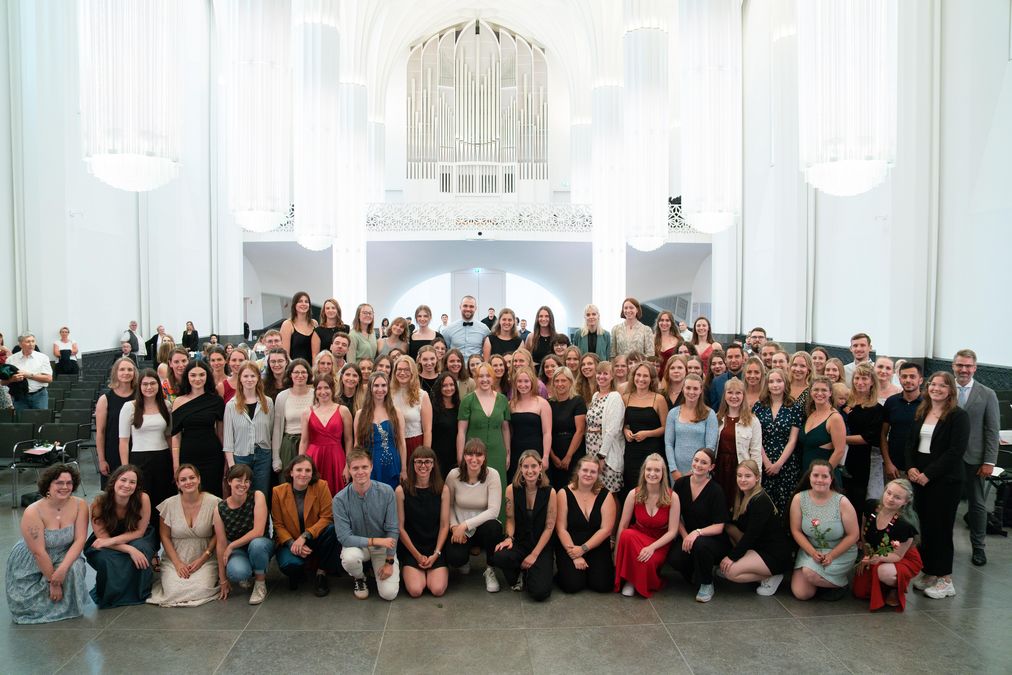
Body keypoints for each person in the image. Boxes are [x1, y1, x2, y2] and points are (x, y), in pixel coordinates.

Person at [907, 371, 970, 600]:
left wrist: (929, 474)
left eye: (942, 386)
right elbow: (910, 444)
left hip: (946, 480)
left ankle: (945, 579)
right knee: (927, 527)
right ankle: (930, 571)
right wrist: (911, 467)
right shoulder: (923, 411)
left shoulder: (958, 416)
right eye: (933, 384)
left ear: (951, 390)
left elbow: (955, 451)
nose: (936, 389)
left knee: (941, 528)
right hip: (920, 476)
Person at [6, 465, 90, 623]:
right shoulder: (33, 511)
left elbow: (80, 540)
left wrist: (62, 570)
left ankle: (68, 606)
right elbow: (39, 552)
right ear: (48, 486)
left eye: (69, 483)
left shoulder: (80, 505)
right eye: (59, 483)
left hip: (64, 552)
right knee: (28, 603)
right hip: (34, 557)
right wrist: (54, 582)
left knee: (74, 568)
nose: (65, 487)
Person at [147, 465, 222, 607]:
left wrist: (204, 557)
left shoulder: (214, 502)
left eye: (192, 477)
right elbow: (164, 536)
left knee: (201, 589)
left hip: (204, 556)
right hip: (175, 556)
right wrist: (177, 563)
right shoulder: (168, 504)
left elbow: (218, 534)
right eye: (183, 479)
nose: (188, 482)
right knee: (173, 591)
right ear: (178, 484)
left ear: (199, 479)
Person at [952, 349, 1000, 567]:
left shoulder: (987, 393)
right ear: (953, 366)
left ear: (975, 368)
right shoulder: (942, 388)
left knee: (977, 505)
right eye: (960, 365)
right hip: (946, 458)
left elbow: (992, 430)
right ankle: (942, 547)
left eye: (968, 366)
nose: (964, 369)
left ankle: (979, 548)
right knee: (945, 504)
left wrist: (989, 461)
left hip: (975, 459)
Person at [332, 449, 401, 601]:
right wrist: (374, 541)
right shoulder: (340, 499)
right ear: (349, 470)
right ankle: (359, 577)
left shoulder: (387, 492)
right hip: (359, 546)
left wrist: (389, 562)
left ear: (371, 467)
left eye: (364, 467)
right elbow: (344, 537)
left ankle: (381, 567)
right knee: (350, 558)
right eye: (355, 468)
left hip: (383, 547)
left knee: (389, 594)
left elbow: (392, 529)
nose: (360, 472)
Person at [85, 465, 157, 608]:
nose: (127, 485)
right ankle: (111, 596)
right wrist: (129, 550)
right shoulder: (99, 503)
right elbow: (102, 539)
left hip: (135, 535)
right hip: (106, 539)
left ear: (137, 486)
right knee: (106, 557)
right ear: (114, 481)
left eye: (132, 482)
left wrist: (131, 547)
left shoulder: (143, 498)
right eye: (123, 480)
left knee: (141, 548)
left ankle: (139, 592)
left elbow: (139, 532)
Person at [719, 460, 793, 596]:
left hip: (774, 554)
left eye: (748, 476)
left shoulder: (760, 500)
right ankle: (751, 567)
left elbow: (751, 535)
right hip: (758, 547)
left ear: (757, 478)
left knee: (730, 572)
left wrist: (731, 557)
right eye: (739, 475)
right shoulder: (742, 495)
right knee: (729, 527)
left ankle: (771, 576)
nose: (742, 480)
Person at [789, 460, 860, 601]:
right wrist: (812, 552)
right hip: (811, 549)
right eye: (815, 475)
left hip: (839, 551)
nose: (819, 480)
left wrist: (832, 555)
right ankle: (823, 582)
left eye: (824, 476)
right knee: (802, 594)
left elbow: (854, 535)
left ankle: (840, 584)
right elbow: (796, 530)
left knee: (810, 573)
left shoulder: (842, 501)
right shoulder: (799, 499)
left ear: (831, 478)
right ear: (809, 477)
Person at [667, 449, 731, 602]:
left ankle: (707, 583)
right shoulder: (681, 484)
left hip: (713, 539)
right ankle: (696, 572)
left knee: (700, 545)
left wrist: (696, 532)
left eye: (704, 462)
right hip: (689, 535)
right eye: (696, 460)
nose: (698, 464)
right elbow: (676, 517)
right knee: (674, 558)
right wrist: (685, 536)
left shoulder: (716, 490)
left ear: (711, 467)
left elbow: (719, 526)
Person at [272, 455, 340, 597]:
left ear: (312, 473)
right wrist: (292, 543)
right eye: (299, 470)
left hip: (313, 536)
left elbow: (327, 517)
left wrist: (305, 536)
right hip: (290, 540)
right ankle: (299, 570)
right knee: (289, 566)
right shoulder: (278, 492)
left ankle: (321, 573)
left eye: (308, 470)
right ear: (291, 472)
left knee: (332, 530)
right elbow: (278, 524)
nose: (303, 474)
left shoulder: (321, 486)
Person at [491, 450, 556, 600]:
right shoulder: (511, 490)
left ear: (540, 467)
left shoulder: (550, 492)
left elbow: (549, 527)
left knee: (539, 593)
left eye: (534, 466)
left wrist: (534, 555)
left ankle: (529, 572)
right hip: (520, 542)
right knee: (500, 556)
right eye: (526, 466)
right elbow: (510, 519)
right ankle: (519, 572)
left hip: (541, 545)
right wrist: (509, 538)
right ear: (520, 467)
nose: (530, 470)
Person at [614, 453, 679, 598]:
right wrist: (617, 552)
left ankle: (639, 582)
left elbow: (673, 532)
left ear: (663, 473)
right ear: (643, 472)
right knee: (627, 534)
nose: (652, 474)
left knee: (647, 560)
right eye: (649, 470)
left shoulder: (672, 497)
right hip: (638, 535)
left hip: (659, 542)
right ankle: (631, 581)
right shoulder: (634, 494)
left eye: (657, 470)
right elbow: (623, 525)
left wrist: (652, 547)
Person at [852, 479, 923, 611]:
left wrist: (877, 558)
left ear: (905, 502)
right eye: (888, 493)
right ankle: (883, 584)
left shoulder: (905, 525)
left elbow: (897, 555)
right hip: (875, 551)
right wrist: (867, 555)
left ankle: (896, 586)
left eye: (897, 497)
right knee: (860, 592)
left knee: (884, 572)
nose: (890, 499)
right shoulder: (870, 506)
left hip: (901, 557)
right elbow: (864, 532)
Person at [445, 439, 503, 592]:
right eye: (469, 454)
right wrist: (454, 526)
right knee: (455, 559)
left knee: (494, 527)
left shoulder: (493, 475)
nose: (474, 459)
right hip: (460, 530)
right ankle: (464, 559)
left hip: (482, 528)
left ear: (484, 457)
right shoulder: (453, 475)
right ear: (464, 456)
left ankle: (490, 569)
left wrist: (465, 525)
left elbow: (493, 511)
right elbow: (448, 505)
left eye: (479, 455)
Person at [555, 456, 616, 593]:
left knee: (603, 586)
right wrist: (574, 554)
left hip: (596, 545)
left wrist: (582, 549)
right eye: (585, 470)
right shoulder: (564, 493)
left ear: (598, 474)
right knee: (572, 586)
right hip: (570, 544)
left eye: (593, 472)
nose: (588, 474)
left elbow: (606, 530)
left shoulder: (606, 495)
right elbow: (561, 529)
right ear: (578, 471)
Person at [212, 464, 271, 605]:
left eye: (247, 481)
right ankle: (248, 570)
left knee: (257, 544)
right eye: (238, 480)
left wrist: (231, 545)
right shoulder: (220, 508)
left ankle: (260, 583)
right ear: (229, 481)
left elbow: (258, 531)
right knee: (237, 572)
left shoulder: (257, 496)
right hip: (239, 550)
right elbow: (220, 544)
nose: (243, 484)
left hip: (260, 544)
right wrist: (223, 579)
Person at [396, 447, 450, 598]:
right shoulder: (401, 491)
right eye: (418, 462)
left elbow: (445, 525)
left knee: (437, 589)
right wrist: (417, 555)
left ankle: (435, 569)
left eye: (427, 461)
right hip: (412, 548)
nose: (423, 465)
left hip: (435, 548)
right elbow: (400, 528)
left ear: (433, 465)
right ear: (412, 464)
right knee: (415, 590)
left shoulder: (443, 489)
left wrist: (436, 553)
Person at [457, 363, 511, 508]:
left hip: (497, 452)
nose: (485, 379)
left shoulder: (502, 400)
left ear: (493, 379)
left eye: (488, 376)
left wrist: (507, 453)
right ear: (475, 378)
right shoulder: (468, 400)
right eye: (481, 376)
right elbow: (461, 431)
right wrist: (461, 455)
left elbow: (505, 428)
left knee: (497, 489)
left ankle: (499, 527)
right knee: (475, 489)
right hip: (473, 454)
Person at [119, 369, 174, 508]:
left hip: (162, 458)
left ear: (158, 385)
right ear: (139, 386)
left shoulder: (166, 406)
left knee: (163, 498)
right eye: (145, 384)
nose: (149, 387)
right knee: (141, 500)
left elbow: (169, 437)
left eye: (152, 383)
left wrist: (175, 463)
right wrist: (126, 469)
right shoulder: (129, 407)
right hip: (139, 459)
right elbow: (124, 441)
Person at [172, 360, 226, 497]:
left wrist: (226, 460)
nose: (198, 379)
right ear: (187, 377)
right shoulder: (179, 401)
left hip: (212, 456)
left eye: (202, 375)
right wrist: (176, 465)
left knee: (213, 494)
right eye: (193, 375)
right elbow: (176, 437)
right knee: (190, 494)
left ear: (207, 376)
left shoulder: (216, 401)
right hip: (188, 455)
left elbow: (221, 434)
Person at [753, 368, 803, 517]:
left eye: (779, 381)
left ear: (785, 383)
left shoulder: (794, 408)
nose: (775, 385)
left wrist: (779, 463)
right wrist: (767, 462)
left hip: (786, 463)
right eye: (771, 381)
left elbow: (793, 439)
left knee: (785, 504)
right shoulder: (758, 407)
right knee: (763, 504)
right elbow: (756, 438)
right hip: (763, 460)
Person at [223, 362, 276, 499]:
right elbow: (228, 438)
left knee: (261, 495)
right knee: (241, 495)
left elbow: (270, 432)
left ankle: (261, 520)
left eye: (253, 376)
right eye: (245, 376)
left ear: (258, 378)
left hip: (263, 456)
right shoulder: (231, 405)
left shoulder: (268, 402)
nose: (249, 379)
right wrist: (232, 465)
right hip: (241, 456)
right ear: (240, 378)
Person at [714, 379, 762, 510]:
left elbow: (756, 452)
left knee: (738, 506)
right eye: (730, 392)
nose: (734, 397)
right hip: (720, 469)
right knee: (720, 504)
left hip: (740, 468)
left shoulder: (753, 421)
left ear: (743, 396)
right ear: (725, 395)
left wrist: (758, 479)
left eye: (738, 393)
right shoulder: (717, 418)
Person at [301, 374, 353, 495]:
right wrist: (301, 466)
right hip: (314, 457)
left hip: (336, 457)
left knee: (338, 493)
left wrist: (348, 465)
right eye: (319, 388)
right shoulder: (307, 412)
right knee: (314, 493)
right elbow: (304, 441)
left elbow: (349, 440)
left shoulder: (343, 410)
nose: (323, 391)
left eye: (326, 388)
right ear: (315, 391)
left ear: (332, 389)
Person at [622, 363, 668, 499]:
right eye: (638, 375)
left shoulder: (658, 399)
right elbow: (624, 424)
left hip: (652, 451)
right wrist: (625, 431)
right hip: (631, 451)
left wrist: (647, 434)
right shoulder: (626, 398)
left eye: (645, 376)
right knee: (631, 486)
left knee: (650, 488)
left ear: (651, 379)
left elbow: (665, 428)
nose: (641, 379)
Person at [355, 371, 407, 489]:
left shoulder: (396, 412)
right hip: (369, 463)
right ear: (370, 388)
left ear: (388, 388)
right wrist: (356, 467)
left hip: (392, 463)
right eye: (376, 385)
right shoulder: (360, 414)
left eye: (383, 385)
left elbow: (401, 443)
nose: (380, 389)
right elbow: (357, 444)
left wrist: (404, 469)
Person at [841, 364, 883, 508]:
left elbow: (867, 438)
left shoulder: (876, 409)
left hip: (861, 460)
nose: (860, 382)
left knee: (857, 500)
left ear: (872, 382)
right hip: (841, 457)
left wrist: (839, 439)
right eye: (857, 378)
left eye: (864, 378)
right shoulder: (845, 402)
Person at [664, 374, 718, 481]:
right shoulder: (673, 413)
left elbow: (710, 447)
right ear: (683, 389)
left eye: (695, 388)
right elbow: (669, 444)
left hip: (700, 470)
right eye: (688, 388)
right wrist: (673, 469)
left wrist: (695, 470)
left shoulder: (709, 414)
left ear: (701, 390)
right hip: (677, 472)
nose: (691, 392)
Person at [95, 357, 138, 486]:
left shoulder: (140, 397)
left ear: (134, 373)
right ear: (115, 373)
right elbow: (100, 432)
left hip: (136, 449)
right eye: (122, 369)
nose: (126, 372)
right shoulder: (105, 399)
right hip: (112, 451)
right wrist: (102, 460)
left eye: (130, 369)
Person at [586, 360, 625, 495]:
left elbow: (612, 430)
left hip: (606, 452)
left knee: (609, 493)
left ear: (612, 376)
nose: (601, 377)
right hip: (592, 448)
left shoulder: (614, 397)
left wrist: (601, 456)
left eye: (605, 374)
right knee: (596, 491)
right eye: (599, 373)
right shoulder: (596, 395)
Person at [508, 365, 552, 482]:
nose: (523, 385)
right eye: (519, 381)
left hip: (537, 450)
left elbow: (547, 432)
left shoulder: (542, 403)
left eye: (526, 381)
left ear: (532, 382)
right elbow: (507, 431)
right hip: (516, 451)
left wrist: (546, 456)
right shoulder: (510, 405)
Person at [881, 362, 923, 481]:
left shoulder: (928, 404)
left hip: (919, 469)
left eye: (912, 376)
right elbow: (883, 434)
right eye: (904, 376)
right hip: (894, 467)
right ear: (899, 379)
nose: (908, 380)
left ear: (920, 380)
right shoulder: (891, 402)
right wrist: (888, 463)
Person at [272, 359, 314, 473]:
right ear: (290, 374)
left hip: (310, 443)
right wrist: (276, 458)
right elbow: (277, 429)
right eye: (296, 372)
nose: (300, 375)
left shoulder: (315, 395)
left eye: (303, 372)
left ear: (308, 374)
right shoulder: (282, 396)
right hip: (288, 444)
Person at [548, 367, 587, 489]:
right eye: (557, 380)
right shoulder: (549, 403)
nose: (560, 384)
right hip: (554, 451)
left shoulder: (577, 401)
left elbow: (580, 431)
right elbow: (545, 431)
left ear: (570, 381)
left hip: (573, 452)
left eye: (563, 380)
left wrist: (568, 456)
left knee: (573, 487)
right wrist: (552, 456)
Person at [799, 376, 847, 474]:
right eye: (816, 389)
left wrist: (823, 474)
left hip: (825, 477)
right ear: (811, 392)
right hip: (806, 473)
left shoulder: (835, 418)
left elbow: (839, 451)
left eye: (824, 390)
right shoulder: (811, 414)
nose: (819, 393)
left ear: (830, 393)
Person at [391, 356, 433, 460]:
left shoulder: (422, 395)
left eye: (406, 370)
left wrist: (425, 456)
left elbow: (427, 430)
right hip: (392, 444)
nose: (402, 373)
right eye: (399, 369)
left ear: (413, 372)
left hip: (414, 444)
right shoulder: (388, 394)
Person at [3, 333, 52, 410]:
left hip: (39, 396)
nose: (31, 344)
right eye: (28, 341)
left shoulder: (43, 358)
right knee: (22, 421)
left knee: (40, 421)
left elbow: (49, 379)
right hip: (19, 397)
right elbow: (3, 382)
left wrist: (29, 375)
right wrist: (12, 379)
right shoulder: (11, 360)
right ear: (20, 344)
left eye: (33, 341)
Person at [280, 291, 318, 363]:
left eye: (306, 302)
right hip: (294, 369)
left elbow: (316, 353)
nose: (303, 304)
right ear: (295, 305)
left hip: (311, 369)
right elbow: (285, 354)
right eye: (300, 301)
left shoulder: (314, 324)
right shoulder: (287, 324)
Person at [706, 344, 745, 410]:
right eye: (730, 357)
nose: (733, 360)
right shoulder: (716, 382)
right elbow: (714, 408)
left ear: (743, 359)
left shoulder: (749, 379)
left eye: (737, 356)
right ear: (725, 360)